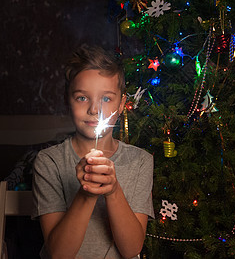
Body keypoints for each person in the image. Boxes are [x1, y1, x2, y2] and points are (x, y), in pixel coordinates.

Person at [32, 45, 154, 259]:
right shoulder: (49, 161)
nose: (94, 110)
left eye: (106, 98)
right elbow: (59, 254)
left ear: (122, 103)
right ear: (67, 100)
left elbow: (132, 249)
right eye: (82, 97)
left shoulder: (140, 161)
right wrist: (87, 192)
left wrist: (113, 190)